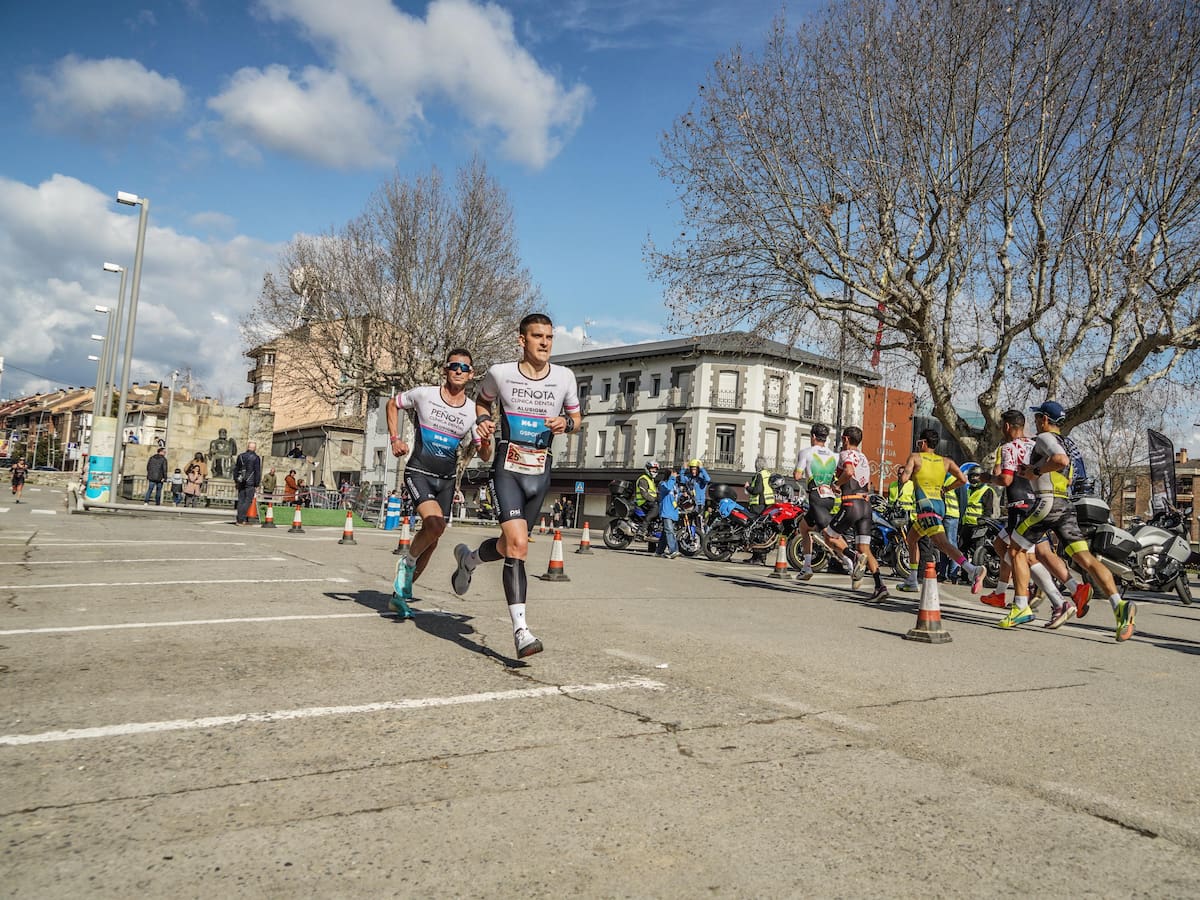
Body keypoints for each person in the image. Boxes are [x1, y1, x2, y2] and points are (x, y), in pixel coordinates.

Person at [450, 314, 581, 659]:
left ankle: (470, 560)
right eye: (537, 336)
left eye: (550, 337)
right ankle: (521, 631)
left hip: (540, 470)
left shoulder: (565, 377)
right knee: (519, 545)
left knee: (512, 547)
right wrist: (483, 421)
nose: (545, 343)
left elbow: (578, 419)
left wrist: (565, 423)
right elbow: (481, 402)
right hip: (507, 467)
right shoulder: (500, 373)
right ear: (521, 340)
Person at [1008, 401, 1133, 641]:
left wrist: (1035, 473)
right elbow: (1064, 469)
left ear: (1045, 419)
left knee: (1014, 550)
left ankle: (1021, 606)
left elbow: (1060, 460)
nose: (1035, 422)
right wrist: (1032, 470)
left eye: (1037, 418)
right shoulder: (1068, 442)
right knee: (1085, 559)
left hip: (1047, 504)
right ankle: (1120, 606)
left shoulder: (1045, 438)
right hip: (1065, 505)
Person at [386, 348, 486, 619]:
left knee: (433, 540)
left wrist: (487, 437)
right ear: (445, 369)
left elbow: (484, 454)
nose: (458, 371)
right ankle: (406, 564)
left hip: (446, 480)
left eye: (464, 368)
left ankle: (400, 596)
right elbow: (392, 404)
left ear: (471, 374)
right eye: (454, 366)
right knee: (434, 525)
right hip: (419, 471)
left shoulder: (472, 411)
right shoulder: (424, 394)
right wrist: (395, 439)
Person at [975, 409, 1091, 626]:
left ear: (1007, 427)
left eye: (1002, 426)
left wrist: (987, 478)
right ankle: (1004, 593)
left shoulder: (1008, 447)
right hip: (1039, 502)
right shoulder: (1034, 444)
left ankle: (1045, 601)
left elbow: (1006, 480)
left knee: (1023, 555)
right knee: (1011, 547)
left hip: (1019, 505)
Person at [896, 428, 987, 593]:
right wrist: (946, 488)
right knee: (911, 539)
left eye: (919, 443)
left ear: (923, 443)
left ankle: (972, 569)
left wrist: (908, 476)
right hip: (938, 505)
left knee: (943, 544)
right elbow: (963, 479)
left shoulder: (915, 457)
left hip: (926, 506)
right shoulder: (945, 461)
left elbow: (904, 478)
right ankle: (912, 579)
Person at [827, 426, 888, 600]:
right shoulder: (864, 458)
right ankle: (880, 586)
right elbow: (866, 484)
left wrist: (837, 485)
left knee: (829, 535)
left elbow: (849, 472)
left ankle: (854, 557)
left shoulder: (846, 454)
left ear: (846, 439)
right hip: (865, 505)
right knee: (865, 548)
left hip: (851, 503)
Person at [793, 425, 838, 579]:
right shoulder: (834, 455)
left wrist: (799, 470)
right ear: (826, 438)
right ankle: (806, 567)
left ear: (813, 436)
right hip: (830, 497)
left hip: (816, 497)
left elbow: (798, 476)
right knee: (804, 527)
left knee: (829, 534)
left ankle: (851, 559)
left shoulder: (806, 452)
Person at [232, 440, 262, 525]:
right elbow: (257, 471)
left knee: (241, 500)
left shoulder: (240, 456)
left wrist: (236, 480)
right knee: (248, 500)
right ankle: (241, 519)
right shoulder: (256, 458)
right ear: (255, 448)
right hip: (250, 481)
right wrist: (257, 483)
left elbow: (236, 469)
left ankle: (240, 518)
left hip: (241, 480)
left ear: (247, 447)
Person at [655, 467, 681, 558]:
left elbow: (676, 496)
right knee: (669, 531)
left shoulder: (675, 485)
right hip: (666, 510)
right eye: (673, 473)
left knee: (666, 532)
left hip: (673, 511)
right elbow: (667, 488)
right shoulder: (663, 484)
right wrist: (672, 478)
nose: (675, 475)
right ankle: (673, 550)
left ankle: (659, 551)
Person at [635, 460, 661, 533]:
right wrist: (654, 499)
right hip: (643, 501)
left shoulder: (651, 480)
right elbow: (644, 494)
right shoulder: (643, 479)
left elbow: (654, 492)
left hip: (650, 501)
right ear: (647, 469)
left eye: (655, 470)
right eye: (652, 469)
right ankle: (643, 527)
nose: (654, 471)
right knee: (656, 508)